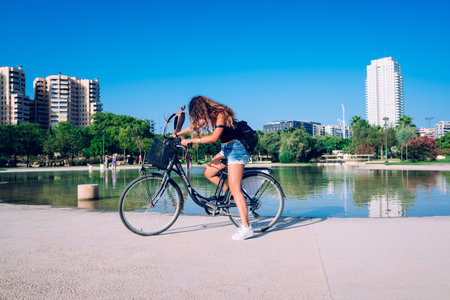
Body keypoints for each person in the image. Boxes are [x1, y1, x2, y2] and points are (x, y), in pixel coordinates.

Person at [174, 96, 253, 240]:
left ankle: (246, 227)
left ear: (201, 108)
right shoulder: (210, 115)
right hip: (226, 148)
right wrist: (177, 134)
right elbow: (194, 126)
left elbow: (214, 137)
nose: (196, 116)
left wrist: (191, 140)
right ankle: (230, 196)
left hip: (237, 149)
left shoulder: (220, 114)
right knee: (208, 172)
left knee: (236, 189)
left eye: (197, 113)